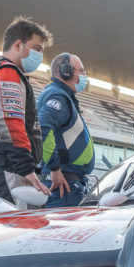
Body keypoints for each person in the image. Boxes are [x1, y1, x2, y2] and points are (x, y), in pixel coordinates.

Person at [0, 16, 53, 204]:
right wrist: (25, 168)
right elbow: (10, 124)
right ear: (18, 45)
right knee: (10, 231)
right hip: (6, 173)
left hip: (0, 169)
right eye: (37, 49)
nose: (40, 56)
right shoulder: (7, 73)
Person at [37, 53, 94, 207]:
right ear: (66, 71)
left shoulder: (62, 95)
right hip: (63, 186)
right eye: (81, 71)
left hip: (68, 183)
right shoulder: (58, 96)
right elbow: (44, 129)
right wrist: (55, 169)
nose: (84, 76)